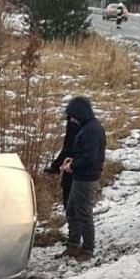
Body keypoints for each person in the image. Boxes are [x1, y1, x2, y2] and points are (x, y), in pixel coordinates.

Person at [57, 96, 107, 261]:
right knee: (72, 210)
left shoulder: (91, 130)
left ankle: (87, 249)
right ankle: (73, 244)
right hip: (81, 176)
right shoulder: (89, 127)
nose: (71, 119)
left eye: (72, 115)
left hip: (86, 178)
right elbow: (85, 155)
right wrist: (73, 161)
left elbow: (90, 157)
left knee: (83, 213)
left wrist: (73, 165)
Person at [45, 115, 81, 208]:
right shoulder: (88, 124)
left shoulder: (74, 123)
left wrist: (55, 166)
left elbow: (68, 149)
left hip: (73, 167)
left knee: (71, 204)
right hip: (84, 170)